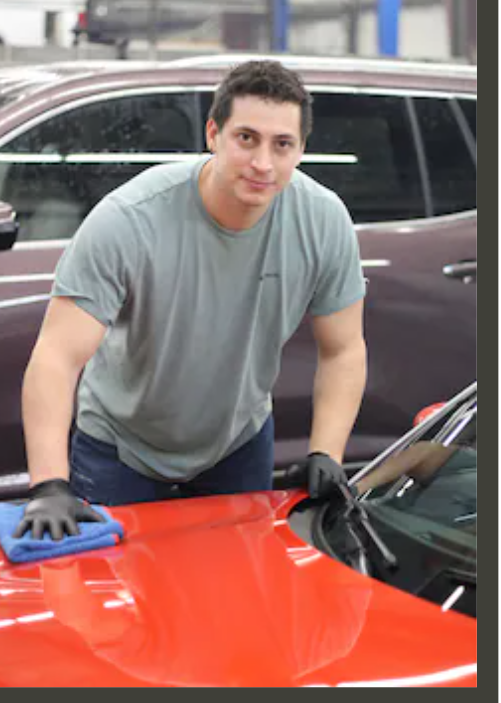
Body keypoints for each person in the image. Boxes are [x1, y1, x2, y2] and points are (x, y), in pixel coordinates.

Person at [15, 60, 368, 542]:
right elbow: (57, 357)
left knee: (230, 596)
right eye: (246, 138)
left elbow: (343, 348)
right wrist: (50, 484)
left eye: (281, 144)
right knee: (117, 605)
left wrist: (326, 452)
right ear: (213, 134)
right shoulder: (130, 219)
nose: (263, 163)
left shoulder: (324, 222)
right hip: (122, 446)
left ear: (301, 149)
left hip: (236, 443)